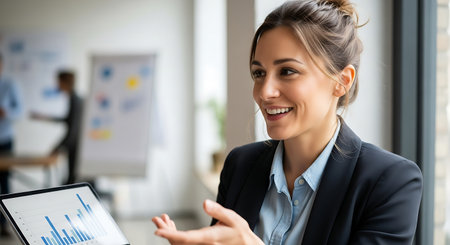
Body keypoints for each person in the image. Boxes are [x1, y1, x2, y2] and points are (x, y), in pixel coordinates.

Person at [152, 0, 423, 244]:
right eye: (259, 73)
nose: (264, 91)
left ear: (342, 81)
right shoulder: (240, 165)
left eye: (288, 71)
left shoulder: (390, 183)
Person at [31, 70, 83, 185]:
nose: (56, 85)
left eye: (58, 82)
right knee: (70, 179)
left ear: (64, 82)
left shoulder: (75, 100)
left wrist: (58, 148)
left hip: (76, 146)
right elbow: (68, 120)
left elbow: (73, 130)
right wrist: (44, 118)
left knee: (71, 180)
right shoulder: (74, 99)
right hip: (74, 145)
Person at [0, 52, 24, 236]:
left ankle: (5, 224)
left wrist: (6, 113)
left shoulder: (10, 84)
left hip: (5, 139)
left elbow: (19, 111)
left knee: (5, 181)